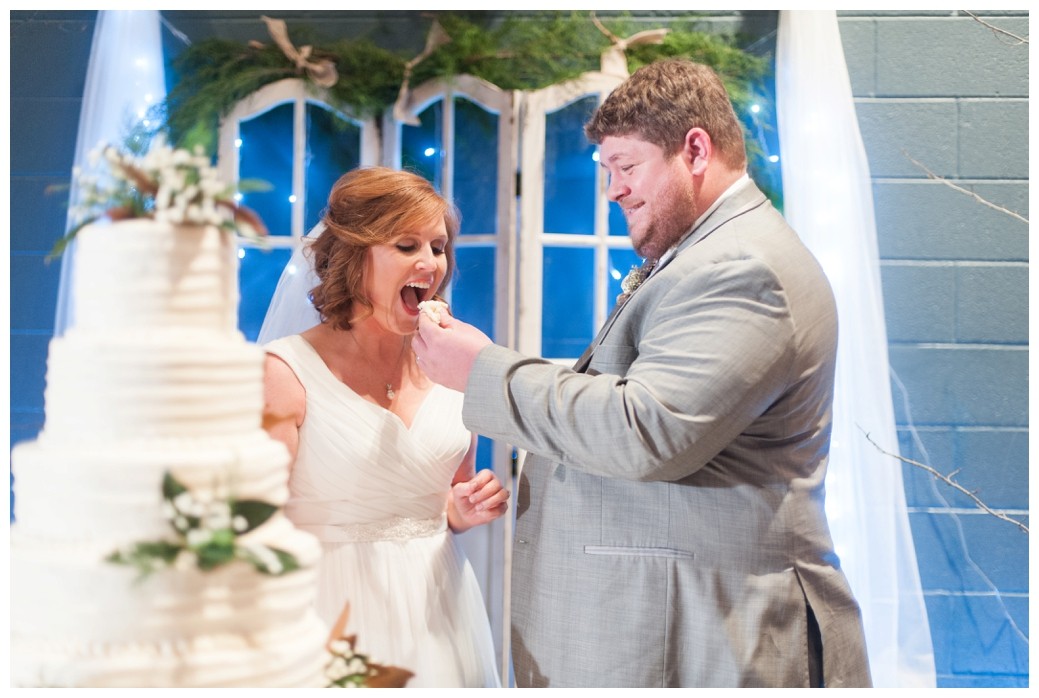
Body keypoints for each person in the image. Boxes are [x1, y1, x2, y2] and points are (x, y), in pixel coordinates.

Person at [413, 59, 872, 687]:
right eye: (608, 171)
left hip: (715, 632)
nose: (613, 190)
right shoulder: (707, 253)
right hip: (681, 622)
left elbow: (645, 428)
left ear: (695, 150)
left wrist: (482, 371)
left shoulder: (741, 267)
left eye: (626, 166)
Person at [260, 166, 509, 688]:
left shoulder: (455, 360)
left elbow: (444, 496)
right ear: (355, 258)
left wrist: (461, 510)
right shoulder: (284, 372)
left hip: (439, 612)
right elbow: (256, 527)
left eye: (438, 247)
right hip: (329, 618)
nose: (430, 264)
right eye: (406, 245)